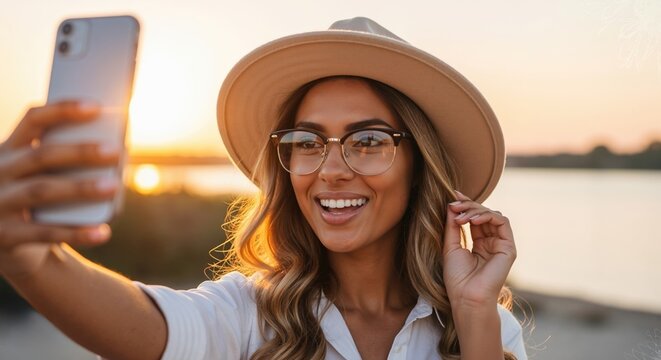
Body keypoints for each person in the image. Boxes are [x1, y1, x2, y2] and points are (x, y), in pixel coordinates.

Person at [0, 17, 526, 360]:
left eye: (367, 140)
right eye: (307, 141)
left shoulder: (484, 323)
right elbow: (144, 328)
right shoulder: (248, 314)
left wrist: (475, 311)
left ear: (419, 165)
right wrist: (29, 259)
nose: (332, 169)